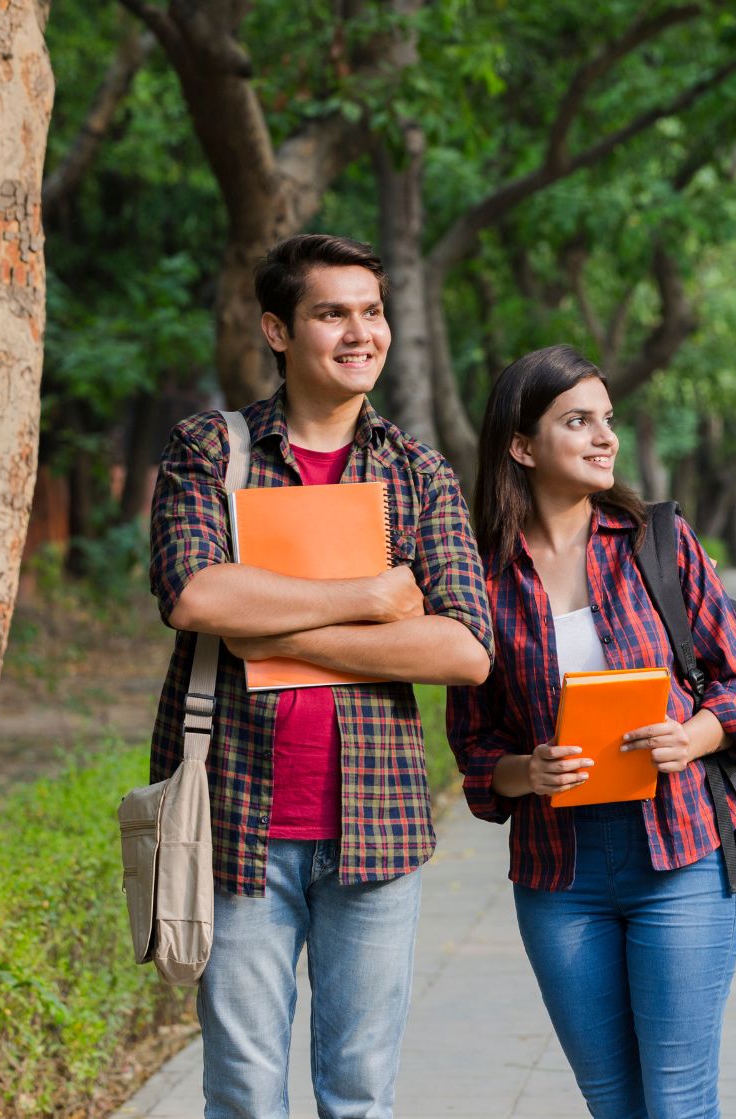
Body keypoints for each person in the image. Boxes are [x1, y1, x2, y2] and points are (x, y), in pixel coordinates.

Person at [147, 233, 493, 1119]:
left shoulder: (417, 474)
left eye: (371, 312)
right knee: (245, 1093)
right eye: (331, 312)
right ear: (277, 328)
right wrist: (370, 598)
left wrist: (277, 622)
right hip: (235, 822)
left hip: (377, 827)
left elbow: (462, 649)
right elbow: (195, 594)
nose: (358, 332)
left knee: (359, 1096)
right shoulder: (212, 451)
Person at [447, 344, 736, 1118]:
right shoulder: (480, 575)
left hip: (680, 853)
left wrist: (694, 734)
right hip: (561, 876)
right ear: (522, 447)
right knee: (613, 1102)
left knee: (679, 1101)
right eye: (577, 421)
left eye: (607, 420)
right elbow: (474, 742)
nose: (604, 437)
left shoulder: (656, 541)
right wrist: (528, 769)